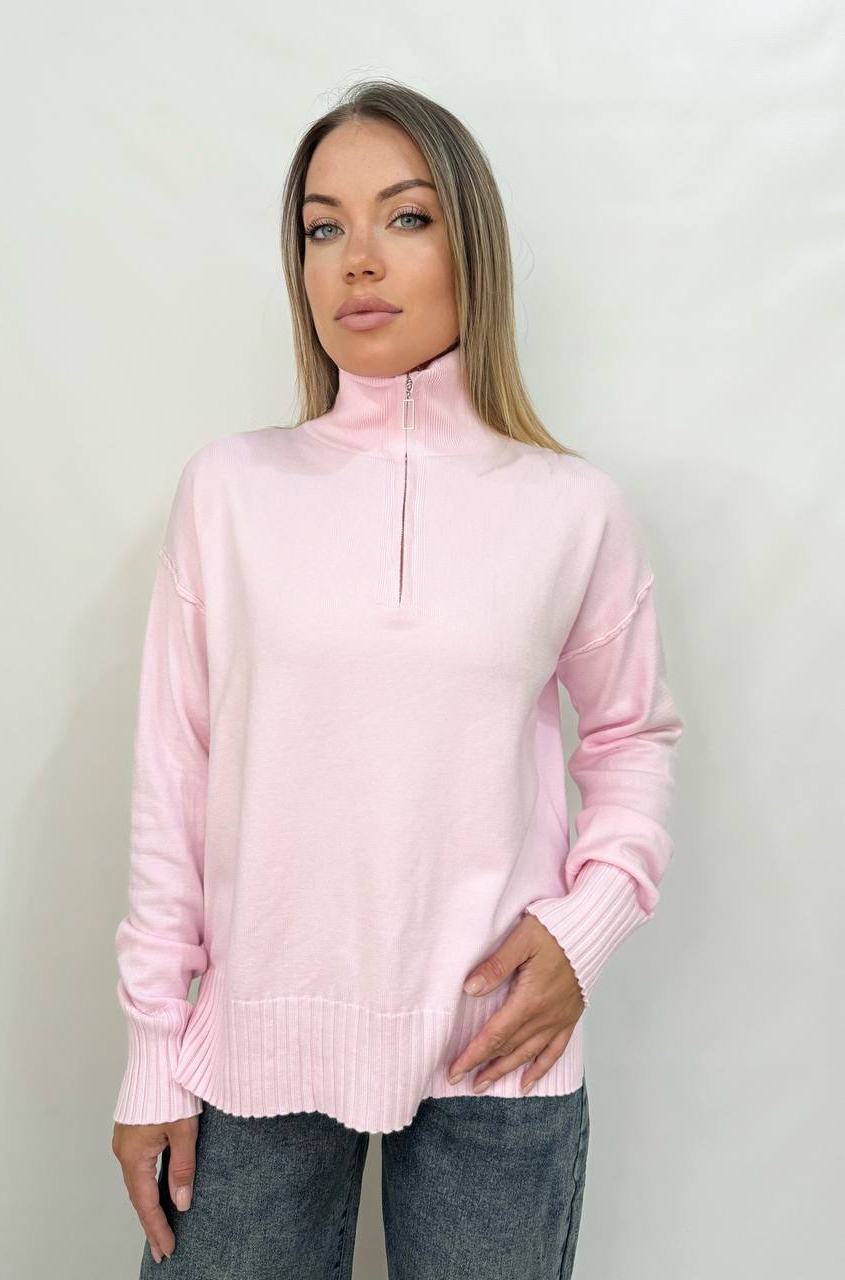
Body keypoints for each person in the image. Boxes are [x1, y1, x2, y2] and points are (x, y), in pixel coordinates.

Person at [110, 78, 684, 1278]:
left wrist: (581, 931)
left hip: (499, 1046)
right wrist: (153, 1049)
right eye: (323, 227)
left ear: (471, 246)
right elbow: (174, 775)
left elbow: (630, 736)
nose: (357, 259)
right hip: (253, 1049)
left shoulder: (570, 508)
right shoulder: (229, 490)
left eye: (404, 217)